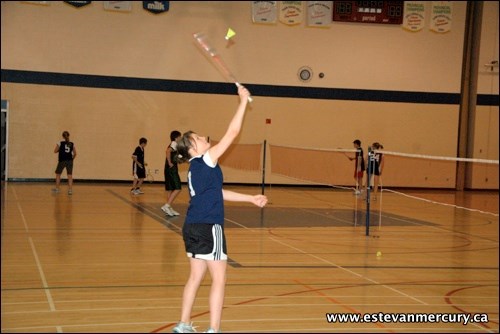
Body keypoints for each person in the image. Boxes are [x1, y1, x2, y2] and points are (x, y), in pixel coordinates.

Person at [172, 86, 268, 333]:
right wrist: (243, 102)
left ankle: (183, 324)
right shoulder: (206, 159)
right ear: (193, 148)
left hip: (192, 227)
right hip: (208, 227)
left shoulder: (195, 168)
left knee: (195, 277)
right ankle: (214, 329)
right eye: (200, 138)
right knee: (220, 279)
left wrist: (249, 199)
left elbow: (217, 193)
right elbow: (233, 132)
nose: (206, 137)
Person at [161, 130, 182, 216]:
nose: (180, 138)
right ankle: (167, 205)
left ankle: (168, 208)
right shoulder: (174, 143)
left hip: (169, 169)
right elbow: (168, 151)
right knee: (178, 188)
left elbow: (175, 156)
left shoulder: (175, 145)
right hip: (171, 169)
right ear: (176, 137)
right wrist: (170, 162)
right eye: (179, 137)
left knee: (170, 188)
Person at [53, 131, 77, 195]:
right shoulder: (72, 143)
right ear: (68, 136)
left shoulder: (60, 143)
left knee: (58, 174)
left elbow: (55, 151)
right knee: (70, 176)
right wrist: (72, 159)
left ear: (62, 136)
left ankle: (57, 189)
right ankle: (70, 190)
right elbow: (75, 153)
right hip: (69, 161)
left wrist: (60, 150)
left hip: (62, 160)